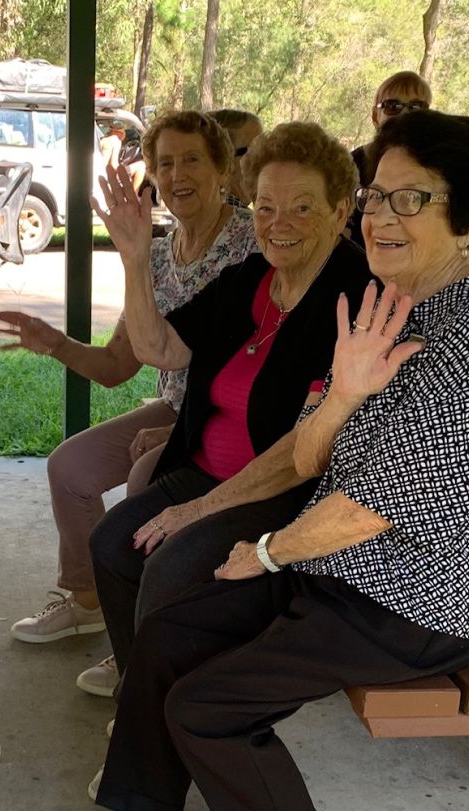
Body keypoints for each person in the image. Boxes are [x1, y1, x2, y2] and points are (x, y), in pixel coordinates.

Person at [37, 110, 469, 811]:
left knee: (207, 706)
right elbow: (309, 449)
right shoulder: (389, 309)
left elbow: (364, 510)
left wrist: (267, 551)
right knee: (169, 635)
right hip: (348, 570)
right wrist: (344, 394)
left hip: (420, 601)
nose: (384, 218)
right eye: (380, 196)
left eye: (411, 199)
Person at [83, 122, 371, 712]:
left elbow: (304, 450)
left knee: (169, 566)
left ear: (341, 211)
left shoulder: (351, 295)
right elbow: (160, 349)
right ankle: (144, 691)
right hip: (206, 470)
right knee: (113, 542)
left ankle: (152, 716)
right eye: (265, 206)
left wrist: (195, 511)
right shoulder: (250, 279)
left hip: (283, 493)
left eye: (301, 207)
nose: (278, 222)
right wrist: (136, 260)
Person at [0, 111, 257, 667]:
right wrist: (56, 342)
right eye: (164, 162)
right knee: (70, 468)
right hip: (177, 407)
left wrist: (174, 429)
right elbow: (117, 365)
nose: (177, 173)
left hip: (236, 419)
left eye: (192, 160)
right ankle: (89, 600)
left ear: (222, 168)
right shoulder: (157, 254)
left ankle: (142, 636)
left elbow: (254, 365)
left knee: (145, 478)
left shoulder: (251, 244)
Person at [345, 71, 432, 241]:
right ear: (375, 116)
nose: (405, 115)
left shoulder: (437, 167)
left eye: (417, 107)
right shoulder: (349, 166)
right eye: (392, 106)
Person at [209, 109, 263, 206]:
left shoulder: (200, 212)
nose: (264, 160)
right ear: (226, 162)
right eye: (254, 152)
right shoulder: (246, 219)